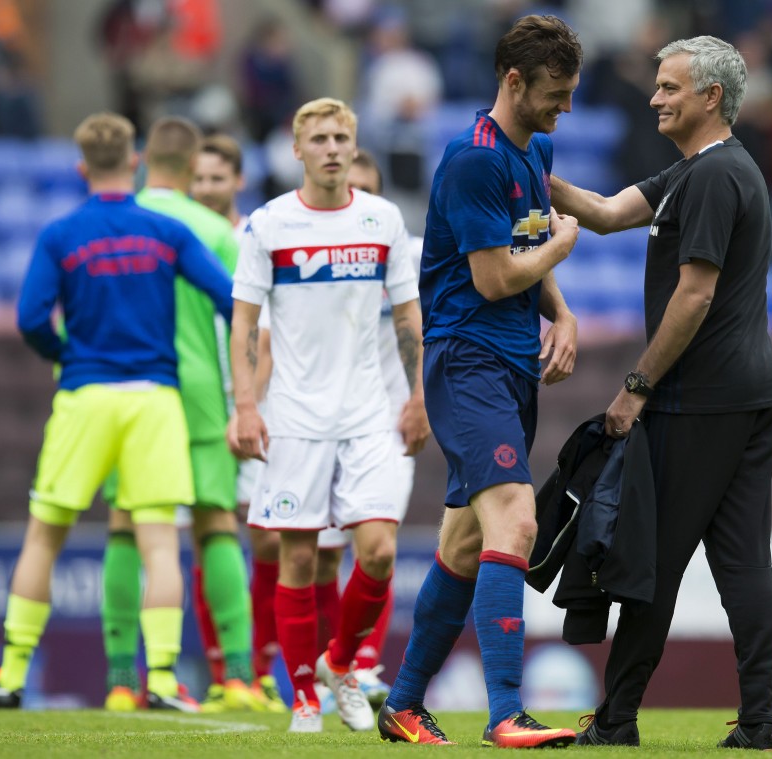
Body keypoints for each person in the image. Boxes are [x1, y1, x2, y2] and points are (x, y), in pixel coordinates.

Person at [549, 35, 772, 751]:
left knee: (653, 559)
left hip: (699, 397)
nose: (654, 97)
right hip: (748, 391)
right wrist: (526, 166)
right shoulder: (698, 172)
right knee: (742, 561)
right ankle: (761, 721)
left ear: (711, 98)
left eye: (669, 87)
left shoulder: (713, 178)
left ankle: (616, 720)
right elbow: (606, 210)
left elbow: (695, 293)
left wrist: (636, 387)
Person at [0, 112, 234, 709]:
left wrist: (65, 357)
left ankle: (9, 676)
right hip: (156, 402)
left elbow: (31, 318)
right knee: (161, 543)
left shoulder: (61, 234)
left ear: (81, 167)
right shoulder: (166, 231)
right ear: (134, 163)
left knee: (44, 537)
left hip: (85, 396)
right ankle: (161, 679)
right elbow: (227, 296)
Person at [376, 15, 582, 748]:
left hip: (510, 363)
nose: (565, 108)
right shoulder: (472, 159)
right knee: (517, 521)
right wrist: (561, 245)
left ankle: (402, 704)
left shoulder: (535, 149)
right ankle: (505, 711)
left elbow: (528, 238)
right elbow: (495, 277)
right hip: (467, 359)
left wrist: (562, 313)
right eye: (554, 94)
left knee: (466, 544)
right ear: (513, 80)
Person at [230, 97, 430, 734]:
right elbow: (244, 325)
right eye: (319, 138)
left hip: (371, 414)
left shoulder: (382, 219)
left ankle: (339, 662)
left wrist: (419, 395)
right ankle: (303, 698)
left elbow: (406, 317)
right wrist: (245, 406)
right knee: (297, 560)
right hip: (294, 417)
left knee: (377, 551)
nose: (333, 148)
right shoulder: (268, 225)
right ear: (297, 150)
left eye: (342, 136)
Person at [97, 116, 266, 714]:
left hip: (131, 390)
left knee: (125, 526)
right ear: (194, 165)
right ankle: (240, 677)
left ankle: (122, 681)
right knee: (215, 525)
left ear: (143, 159)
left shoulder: (117, 221)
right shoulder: (215, 230)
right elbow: (246, 320)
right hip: (198, 394)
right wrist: (245, 400)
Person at [312, 149, 422, 711]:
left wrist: (419, 399)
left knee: (375, 545)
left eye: (367, 188)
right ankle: (334, 664)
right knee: (324, 557)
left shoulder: (409, 255)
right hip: (320, 420)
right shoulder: (306, 251)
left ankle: (362, 666)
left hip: (385, 421)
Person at [190, 133, 288, 712]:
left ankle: (263, 666)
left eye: (215, 178)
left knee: (266, 536)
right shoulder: (179, 236)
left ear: (236, 181)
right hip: (199, 404)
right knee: (209, 534)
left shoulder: (253, 236)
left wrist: (247, 404)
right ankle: (225, 672)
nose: (205, 188)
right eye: (197, 178)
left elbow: (268, 333)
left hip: (255, 400)